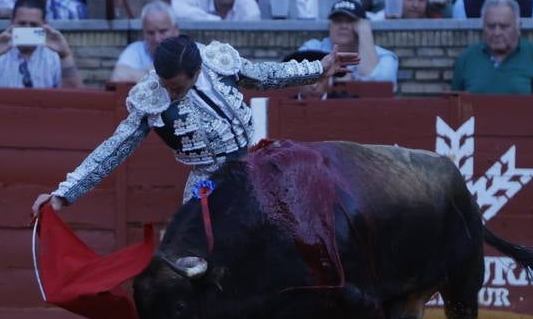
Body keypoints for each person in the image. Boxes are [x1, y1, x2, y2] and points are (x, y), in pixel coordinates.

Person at [31, 34, 348, 214]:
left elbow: (266, 76)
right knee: (193, 248)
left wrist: (317, 69)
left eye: (178, 87)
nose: (170, 93)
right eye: (166, 84)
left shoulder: (216, 62)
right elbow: (114, 148)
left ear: (197, 72)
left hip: (255, 158)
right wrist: (63, 194)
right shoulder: (151, 96)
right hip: (207, 179)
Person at [0, 0, 81, 88]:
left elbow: (74, 95)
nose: (27, 29)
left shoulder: (54, 57)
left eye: (34, 24)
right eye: (22, 23)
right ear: (12, 22)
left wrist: (65, 55)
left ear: (44, 25)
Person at [451, 0, 533, 93]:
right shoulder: (466, 59)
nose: (497, 33)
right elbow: (454, 105)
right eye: (491, 26)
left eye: (504, 26)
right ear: (482, 27)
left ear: (518, 27)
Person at [319, 0, 398, 82]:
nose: (343, 26)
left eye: (350, 21)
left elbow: (383, 83)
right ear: (330, 26)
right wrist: (336, 79)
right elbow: (304, 79)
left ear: (361, 25)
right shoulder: (312, 48)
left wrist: (365, 32)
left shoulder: (385, 56)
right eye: (338, 21)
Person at [110, 0, 179, 84]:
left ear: (176, 30)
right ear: (143, 32)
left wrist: (143, 74)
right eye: (150, 33)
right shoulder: (135, 50)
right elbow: (118, 76)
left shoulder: (194, 50)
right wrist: (157, 74)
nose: (157, 39)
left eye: (162, 31)